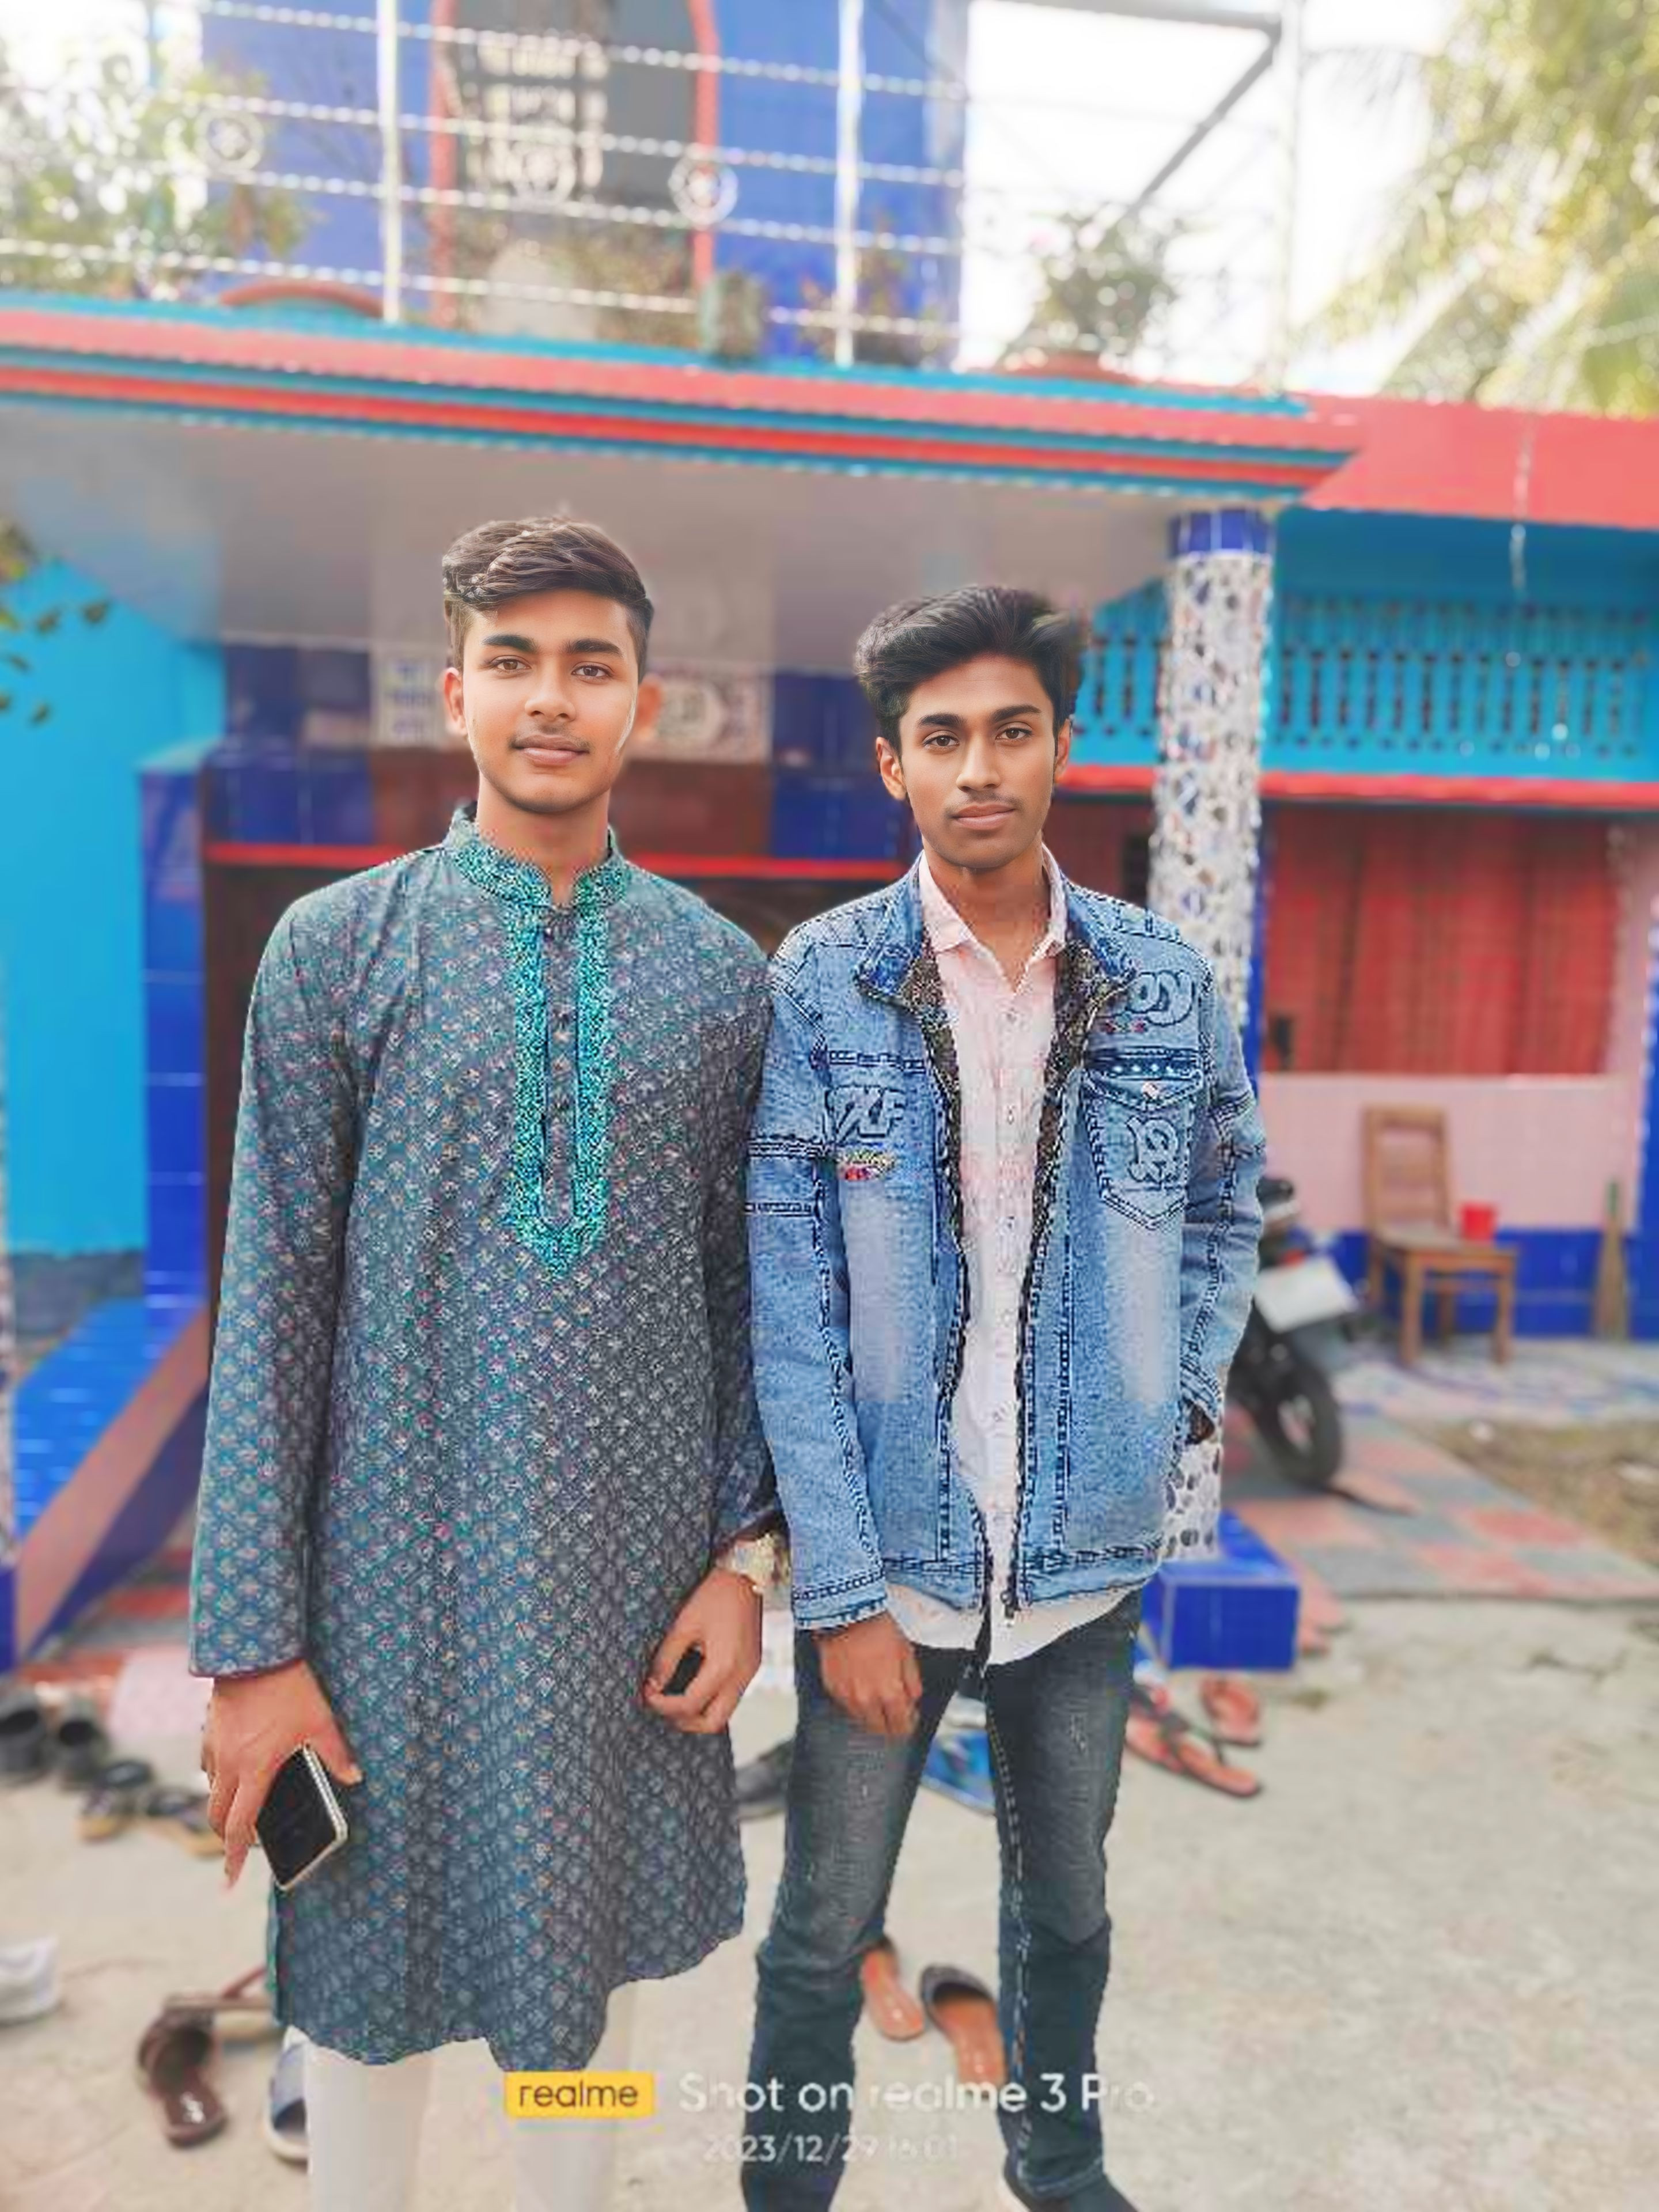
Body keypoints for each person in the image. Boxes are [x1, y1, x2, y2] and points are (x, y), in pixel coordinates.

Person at [188, 516, 786, 2212]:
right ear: (453, 694)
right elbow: (274, 1294)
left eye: (591, 666)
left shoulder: (720, 980)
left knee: (584, 1995)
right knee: (365, 1989)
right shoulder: (338, 950)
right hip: (379, 1607)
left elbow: (751, 1298)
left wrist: (746, 1565)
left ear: (643, 704)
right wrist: (254, 1650)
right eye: (512, 662)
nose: (551, 699)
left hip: (624, 1611)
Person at [742, 586, 1266, 2212]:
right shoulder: (825, 978)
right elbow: (790, 1298)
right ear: (893, 764)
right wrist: (838, 1591)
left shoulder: (1162, 978)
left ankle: (1061, 2171)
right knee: (825, 1925)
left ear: (1060, 748)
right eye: (944, 737)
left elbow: (1225, 1204)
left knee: (1067, 1912)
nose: (980, 768)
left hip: (1084, 1565)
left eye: (1011, 731)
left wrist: (1172, 1400)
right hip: (891, 1562)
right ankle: (788, 2191)